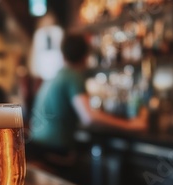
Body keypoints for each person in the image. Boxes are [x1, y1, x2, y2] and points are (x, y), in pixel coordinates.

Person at [29, 33, 147, 171]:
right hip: (54, 152)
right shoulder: (73, 76)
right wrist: (130, 125)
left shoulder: (56, 76)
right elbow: (89, 117)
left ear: (63, 54)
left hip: (37, 147)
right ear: (86, 56)